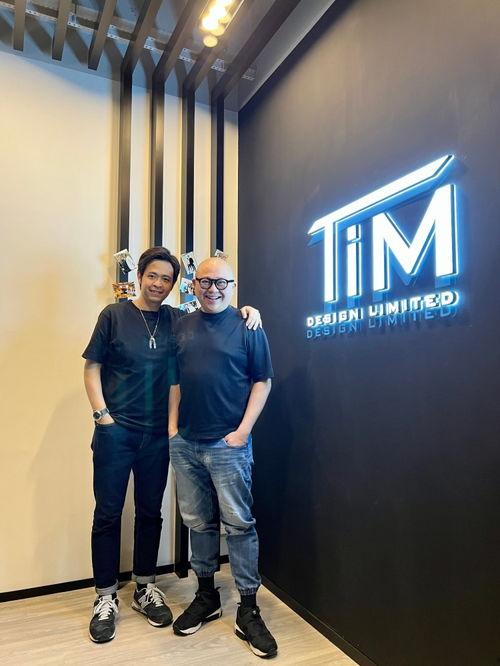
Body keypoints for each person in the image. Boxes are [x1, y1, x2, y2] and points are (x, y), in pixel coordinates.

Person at [82, 247, 261, 644]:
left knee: (150, 512)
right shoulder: (113, 315)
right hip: (116, 431)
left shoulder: (177, 319)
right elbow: (92, 366)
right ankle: (105, 596)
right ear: (139, 277)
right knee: (108, 513)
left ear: (176, 284)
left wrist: (248, 311)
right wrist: (101, 415)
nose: (159, 284)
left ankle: (145, 587)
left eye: (166, 278)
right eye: (153, 276)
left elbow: (217, 311)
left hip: (157, 434)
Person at [168, 257, 277, 659]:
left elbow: (262, 381)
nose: (212, 289)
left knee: (239, 525)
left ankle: (248, 609)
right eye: (205, 281)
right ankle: (206, 596)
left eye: (221, 282)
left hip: (228, 445)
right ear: (194, 284)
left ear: (232, 285)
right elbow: (175, 381)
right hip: (186, 444)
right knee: (198, 522)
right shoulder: (181, 326)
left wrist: (243, 432)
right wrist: (173, 429)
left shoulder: (249, 326)